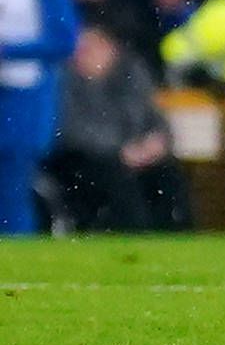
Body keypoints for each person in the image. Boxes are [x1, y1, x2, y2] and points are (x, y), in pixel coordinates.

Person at [45, 22, 187, 231]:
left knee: (167, 177)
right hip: (82, 159)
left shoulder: (131, 76)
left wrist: (155, 144)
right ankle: (133, 231)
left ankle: (176, 233)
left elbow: (154, 118)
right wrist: (120, 153)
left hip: (132, 154)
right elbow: (71, 131)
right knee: (114, 177)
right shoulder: (64, 81)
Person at [0, 0, 78, 235]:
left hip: (25, 94)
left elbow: (64, 41)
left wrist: (9, 51)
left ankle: (17, 252)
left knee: (13, 184)